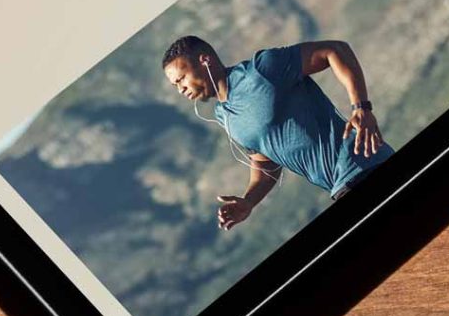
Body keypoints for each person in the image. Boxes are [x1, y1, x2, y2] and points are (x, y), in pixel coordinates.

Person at [161, 35, 389, 229]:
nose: (180, 89)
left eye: (181, 78)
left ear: (205, 60)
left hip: (364, 164)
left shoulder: (263, 69)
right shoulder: (224, 115)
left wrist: (361, 107)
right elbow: (266, 164)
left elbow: (334, 50)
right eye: (175, 85)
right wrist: (249, 202)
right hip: (339, 187)